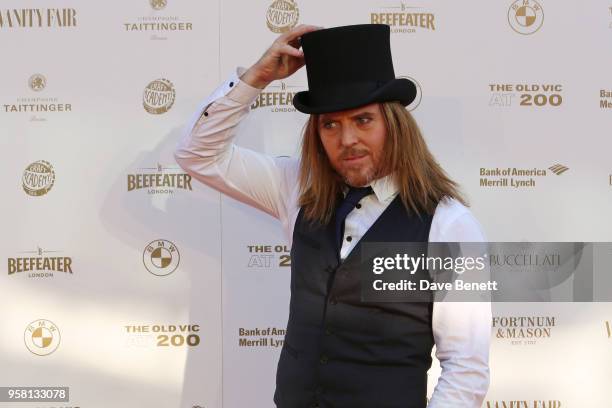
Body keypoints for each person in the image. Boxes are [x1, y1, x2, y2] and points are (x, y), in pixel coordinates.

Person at [175, 23, 491, 408]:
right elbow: (197, 154)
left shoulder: (449, 224)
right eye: (330, 124)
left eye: (362, 120)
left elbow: (466, 369)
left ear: (394, 124)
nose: (347, 140)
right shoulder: (296, 188)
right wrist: (255, 79)